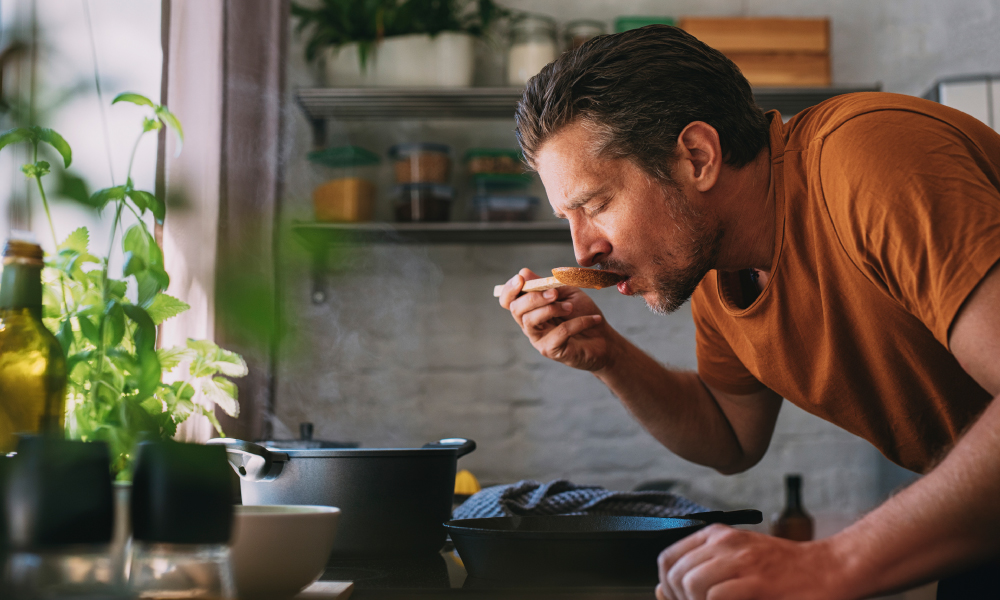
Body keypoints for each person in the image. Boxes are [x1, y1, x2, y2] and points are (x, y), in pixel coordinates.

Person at [497, 25, 1000, 600]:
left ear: (697, 157)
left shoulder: (868, 161)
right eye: (569, 218)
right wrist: (608, 355)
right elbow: (731, 435)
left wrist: (829, 564)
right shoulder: (719, 266)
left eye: (596, 205)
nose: (582, 249)